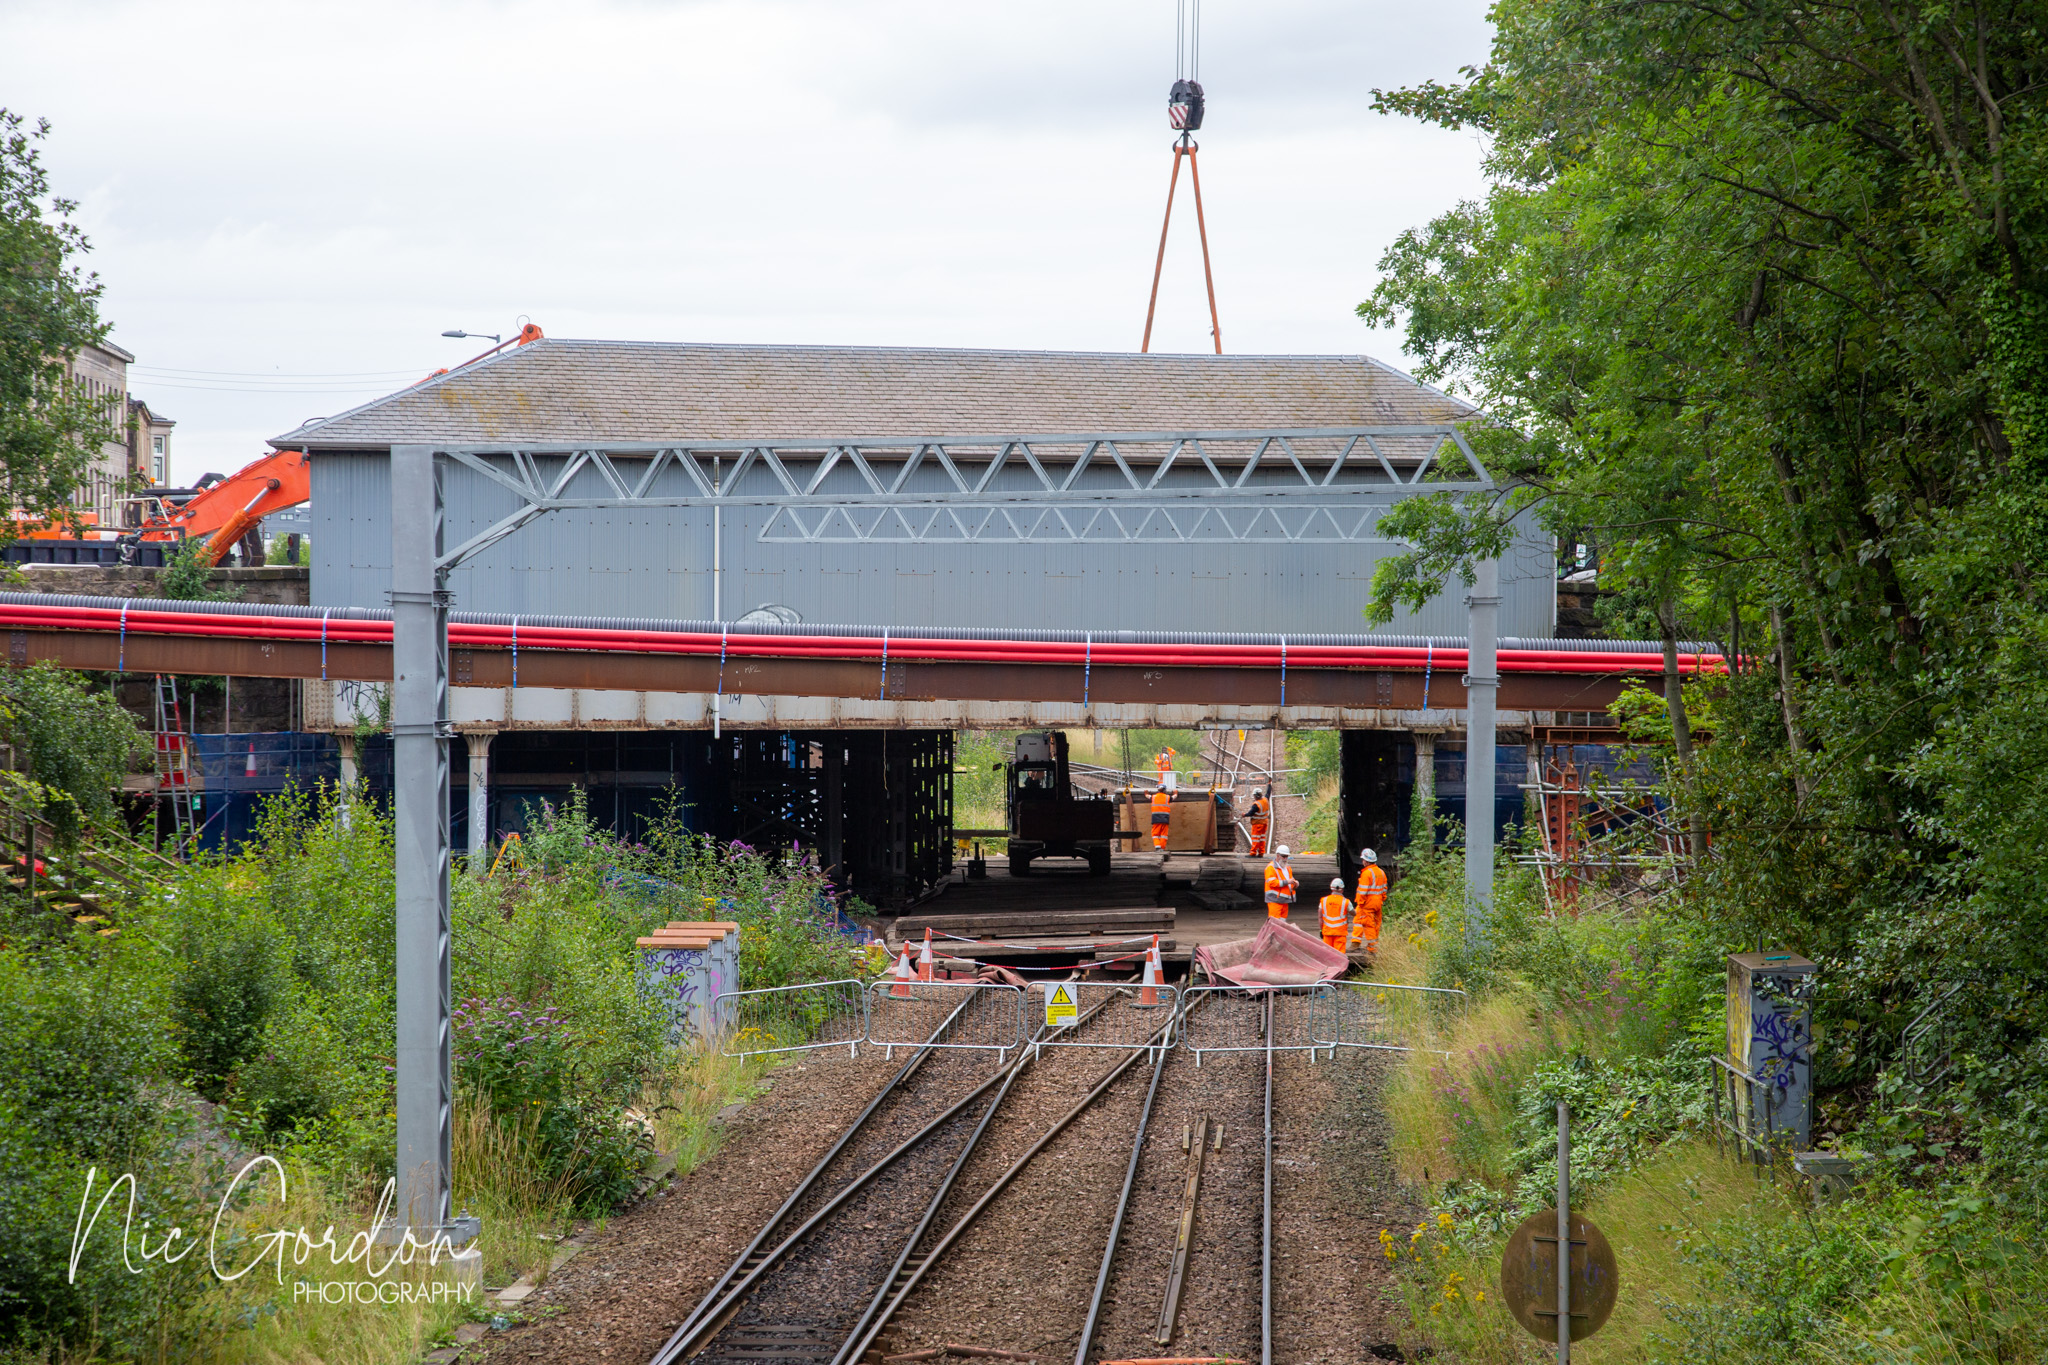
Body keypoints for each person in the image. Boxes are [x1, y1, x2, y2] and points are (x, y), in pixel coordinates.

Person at [1351, 848, 1388, 953]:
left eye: (1363, 860)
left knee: (1368, 924)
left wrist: (1360, 903)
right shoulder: (1381, 872)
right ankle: (1356, 942)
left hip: (1367, 903)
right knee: (1363, 920)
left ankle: (1372, 948)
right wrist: (1382, 899)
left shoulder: (1367, 873)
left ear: (1366, 861)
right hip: (1378, 902)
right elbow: (1384, 888)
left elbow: (1363, 891)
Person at [1263, 844, 1298, 919]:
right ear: (1278, 855)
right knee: (1275, 922)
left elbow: (1290, 879)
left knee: (1282, 923)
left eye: (1287, 856)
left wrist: (1295, 883)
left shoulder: (1287, 867)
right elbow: (1272, 883)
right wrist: (1287, 882)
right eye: (1283, 856)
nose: (1285, 858)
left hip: (1284, 900)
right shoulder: (1271, 868)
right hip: (1275, 900)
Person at [1318, 877, 1351, 954]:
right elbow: (1353, 912)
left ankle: (1328, 966)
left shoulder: (1324, 900)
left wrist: (1321, 930)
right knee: (1340, 954)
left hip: (1327, 932)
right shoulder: (1346, 901)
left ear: (1331, 888)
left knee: (1327, 953)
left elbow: (1320, 917)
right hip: (1340, 932)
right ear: (1342, 890)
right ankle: (1339, 966)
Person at [1246, 786, 1271, 858]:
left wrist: (1244, 815)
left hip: (1257, 824)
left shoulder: (1256, 805)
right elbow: (1268, 793)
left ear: (1256, 796)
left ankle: (1253, 852)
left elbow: (1250, 813)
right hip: (1264, 823)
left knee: (1255, 838)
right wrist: (1269, 785)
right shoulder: (1265, 800)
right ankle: (1261, 852)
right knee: (1262, 838)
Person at [1150, 783, 1172, 850]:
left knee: (1155, 834)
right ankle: (1162, 848)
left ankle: (1157, 847)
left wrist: (1145, 793)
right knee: (1164, 835)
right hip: (1165, 818)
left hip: (1156, 818)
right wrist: (1176, 793)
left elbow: (1148, 796)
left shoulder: (1153, 797)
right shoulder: (1167, 797)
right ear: (1164, 790)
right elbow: (1174, 797)